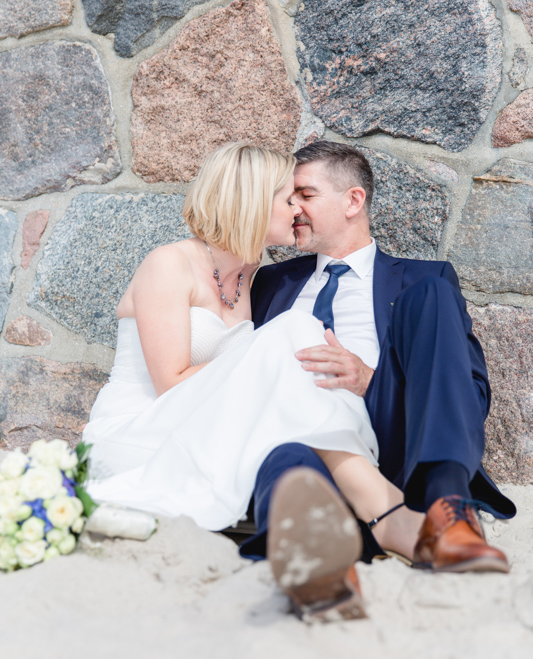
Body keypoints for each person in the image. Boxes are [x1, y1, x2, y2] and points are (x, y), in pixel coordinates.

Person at [84, 142, 416, 620]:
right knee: (297, 334)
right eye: (288, 199)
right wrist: (269, 358)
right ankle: (385, 509)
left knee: (299, 346)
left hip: (201, 423)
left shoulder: (254, 276)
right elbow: (172, 383)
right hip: (142, 429)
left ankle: (345, 511)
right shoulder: (169, 264)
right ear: (254, 202)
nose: (298, 209)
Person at [239, 140, 515, 617]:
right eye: (288, 197)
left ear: (352, 201)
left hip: (387, 427)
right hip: (305, 436)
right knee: (289, 457)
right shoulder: (270, 284)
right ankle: (316, 556)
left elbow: (470, 392)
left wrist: (371, 380)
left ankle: (450, 509)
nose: (292, 208)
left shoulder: (423, 280)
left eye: (304, 193)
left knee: (430, 296)